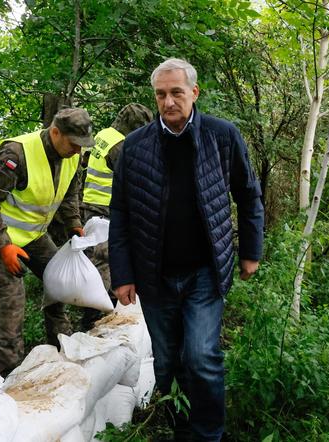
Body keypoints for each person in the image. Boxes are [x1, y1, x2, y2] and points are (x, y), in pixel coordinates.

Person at [108, 58, 264, 441]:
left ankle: (209, 434)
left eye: (177, 92)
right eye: (161, 94)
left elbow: (248, 194)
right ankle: (183, 431)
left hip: (205, 270)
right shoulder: (134, 146)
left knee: (201, 357)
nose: (169, 101)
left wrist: (251, 251)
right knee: (167, 364)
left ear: (194, 92)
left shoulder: (221, 136)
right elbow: (121, 212)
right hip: (155, 273)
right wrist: (123, 273)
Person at [0, 107, 95, 377]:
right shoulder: (17, 153)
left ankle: (61, 343)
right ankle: (8, 373)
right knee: (11, 304)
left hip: (33, 236)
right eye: (74, 144)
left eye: (82, 146)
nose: (78, 151)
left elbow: (69, 191)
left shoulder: (73, 155)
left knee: (59, 281)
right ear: (55, 132)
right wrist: (3, 245)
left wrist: (74, 222)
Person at [79, 103, 153, 330]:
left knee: (96, 264)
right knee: (106, 267)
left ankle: (93, 318)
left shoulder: (104, 135)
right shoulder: (120, 146)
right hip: (104, 212)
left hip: (91, 208)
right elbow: (136, 182)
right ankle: (99, 322)